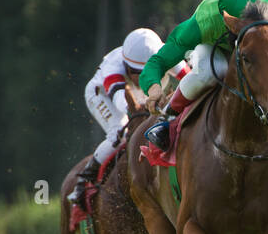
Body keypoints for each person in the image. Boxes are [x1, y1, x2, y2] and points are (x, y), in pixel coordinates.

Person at [139, 0, 268, 158]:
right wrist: (154, 87)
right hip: (216, 52)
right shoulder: (205, 19)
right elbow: (159, 61)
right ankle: (168, 119)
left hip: (257, 55)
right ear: (226, 20)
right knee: (214, 70)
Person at [68, 28, 187, 206]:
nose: (148, 77)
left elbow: (193, 78)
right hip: (101, 94)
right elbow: (121, 103)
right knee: (120, 132)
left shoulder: (167, 54)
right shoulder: (113, 68)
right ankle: (83, 182)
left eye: (155, 70)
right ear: (127, 68)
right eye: (141, 74)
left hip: (141, 96)